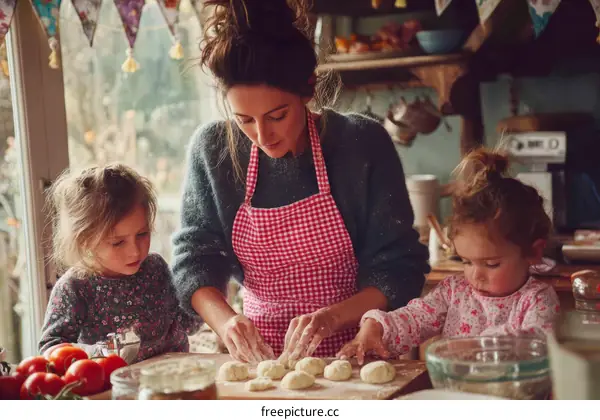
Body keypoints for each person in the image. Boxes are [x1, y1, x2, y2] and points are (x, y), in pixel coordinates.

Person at [171, 0, 429, 364]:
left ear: (307, 89)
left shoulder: (361, 144)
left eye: (277, 115)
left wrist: (331, 317)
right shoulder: (213, 150)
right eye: (245, 119)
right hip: (258, 363)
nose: (262, 135)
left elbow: (400, 269)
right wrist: (227, 322)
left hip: (357, 354)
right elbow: (193, 260)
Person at [338, 148, 560, 364]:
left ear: (533, 252)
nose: (475, 275)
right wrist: (377, 326)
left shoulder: (538, 300)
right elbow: (415, 318)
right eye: (466, 261)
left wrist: (475, 346)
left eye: (491, 264)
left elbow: (536, 342)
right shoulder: (455, 291)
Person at [39, 164, 201, 363]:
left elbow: (185, 323)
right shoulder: (75, 288)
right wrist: (102, 352)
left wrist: (205, 291)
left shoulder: (155, 267)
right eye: (117, 242)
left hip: (172, 380)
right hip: (117, 390)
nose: (135, 251)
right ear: (85, 240)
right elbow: (51, 347)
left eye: (142, 234)